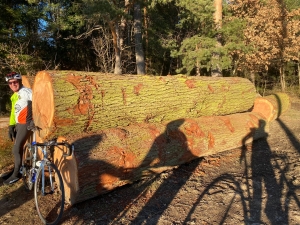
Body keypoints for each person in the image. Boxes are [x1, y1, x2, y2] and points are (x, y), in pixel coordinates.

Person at [2, 72, 33, 185]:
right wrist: (11, 126)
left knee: (16, 148)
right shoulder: (15, 95)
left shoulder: (26, 92)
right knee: (17, 149)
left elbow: (36, 103)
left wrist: (31, 120)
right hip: (19, 124)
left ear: (20, 82)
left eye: (15, 82)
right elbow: (14, 112)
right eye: (10, 83)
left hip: (26, 123)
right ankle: (15, 171)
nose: (13, 84)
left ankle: (16, 175)